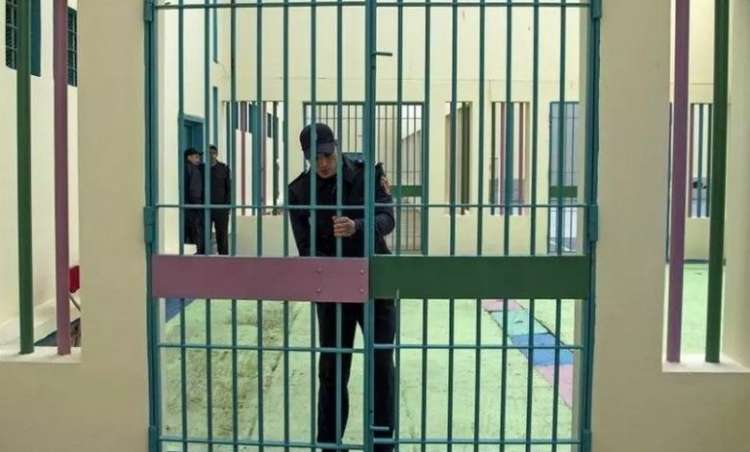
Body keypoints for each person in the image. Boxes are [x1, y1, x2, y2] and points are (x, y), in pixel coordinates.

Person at [288, 123, 396, 452]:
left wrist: (357, 226)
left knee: (381, 365)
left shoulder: (367, 174)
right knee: (333, 368)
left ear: (336, 147)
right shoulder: (299, 191)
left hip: (374, 283)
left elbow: (387, 219)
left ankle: (383, 442)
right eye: (315, 157)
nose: (323, 163)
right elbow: (305, 247)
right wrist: (329, 263)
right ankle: (329, 443)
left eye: (327, 155)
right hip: (333, 289)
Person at [208, 145, 231, 255]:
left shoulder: (223, 168)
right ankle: (203, 257)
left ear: (216, 154)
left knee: (222, 235)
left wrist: (227, 206)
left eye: (213, 153)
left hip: (221, 207)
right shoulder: (202, 168)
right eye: (208, 153)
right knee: (204, 235)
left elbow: (229, 188)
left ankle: (224, 258)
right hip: (205, 207)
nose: (211, 155)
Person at [184, 148, 205, 255]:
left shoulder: (183, 168)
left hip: (184, 207)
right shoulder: (194, 170)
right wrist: (198, 207)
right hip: (193, 207)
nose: (199, 160)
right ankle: (198, 256)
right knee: (196, 233)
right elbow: (194, 190)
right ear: (189, 157)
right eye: (196, 157)